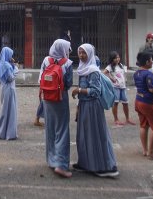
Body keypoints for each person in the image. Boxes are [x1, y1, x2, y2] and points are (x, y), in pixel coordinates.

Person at [71, 44, 119, 177]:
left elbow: (95, 91)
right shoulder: (82, 68)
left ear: (90, 54)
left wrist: (78, 90)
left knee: (96, 136)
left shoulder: (92, 70)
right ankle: (86, 163)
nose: (81, 55)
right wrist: (78, 106)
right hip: (84, 105)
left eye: (84, 53)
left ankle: (103, 166)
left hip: (93, 107)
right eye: (79, 52)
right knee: (84, 136)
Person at [41, 39, 74, 178]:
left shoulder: (46, 60)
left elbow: (41, 78)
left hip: (47, 97)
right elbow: (68, 84)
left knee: (50, 128)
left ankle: (51, 160)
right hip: (60, 98)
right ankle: (61, 165)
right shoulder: (67, 63)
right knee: (62, 130)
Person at [0, 46, 19, 140]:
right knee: (8, 110)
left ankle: (2, 130)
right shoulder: (6, 65)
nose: (11, 56)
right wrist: (16, 68)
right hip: (9, 88)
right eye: (11, 54)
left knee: (5, 109)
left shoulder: (2, 64)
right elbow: (10, 78)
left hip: (4, 88)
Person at [104, 51, 135, 126]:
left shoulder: (121, 65)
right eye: (115, 58)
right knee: (116, 103)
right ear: (112, 59)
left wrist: (125, 80)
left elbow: (123, 74)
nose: (117, 59)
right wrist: (111, 78)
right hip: (115, 87)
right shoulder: (110, 67)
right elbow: (104, 73)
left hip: (123, 87)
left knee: (125, 103)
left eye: (118, 57)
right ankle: (116, 119)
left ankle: (127, 119)